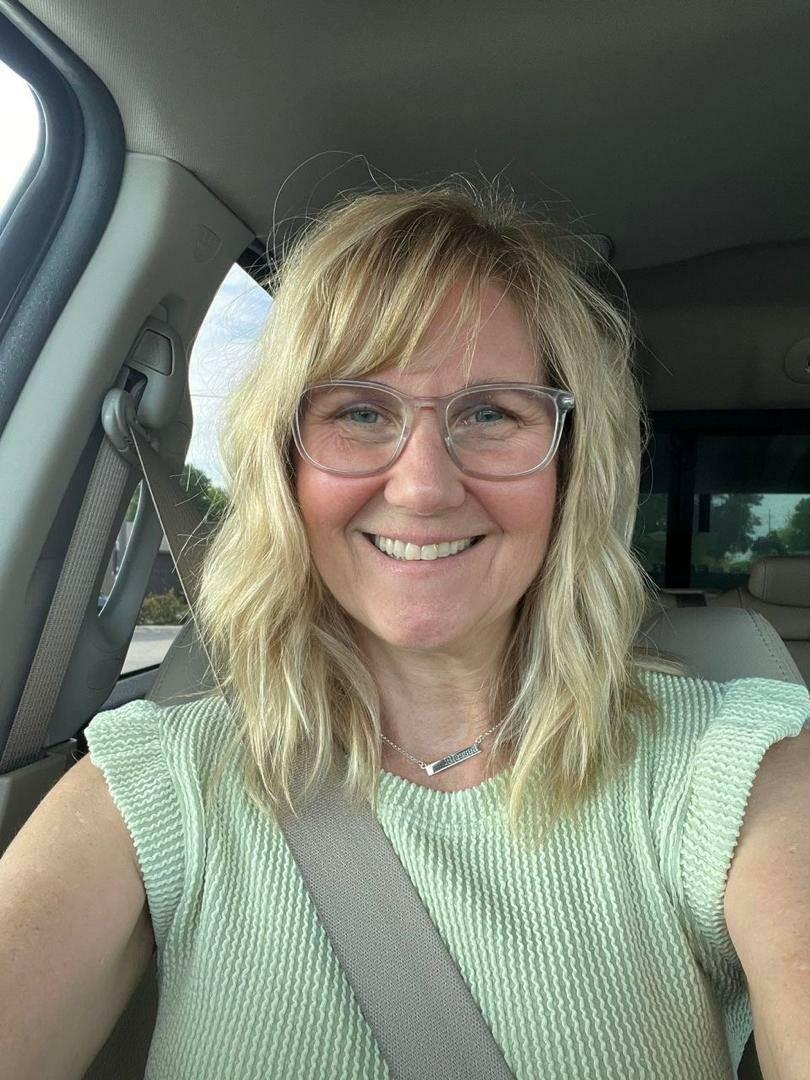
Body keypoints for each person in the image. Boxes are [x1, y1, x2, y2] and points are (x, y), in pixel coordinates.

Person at [1, 183, 809, 1080]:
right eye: (359, 412)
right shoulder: (156, 784)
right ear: (286, 465)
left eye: (491, 414)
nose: (423, 487)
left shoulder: (739, 772)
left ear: (570, 471)